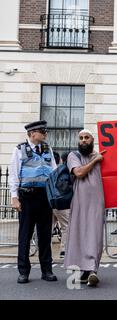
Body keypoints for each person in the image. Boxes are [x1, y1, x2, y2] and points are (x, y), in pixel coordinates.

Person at [8, 120, 58, 283]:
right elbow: (14, 174)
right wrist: (14, 198)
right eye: (42, 131)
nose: (45, 134)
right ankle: (23, 272)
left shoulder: (47, 149)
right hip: (27, 197)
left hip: (45, 197)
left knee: (45, 236)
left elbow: (55, 171)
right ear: (32, 133)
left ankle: (47, 270)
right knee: (25, 236)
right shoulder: (19, 149)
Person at [64, 129, 106, 287]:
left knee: (95, 236)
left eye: (86, 137)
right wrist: (95, 161)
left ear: (92, 140)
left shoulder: (100, 156)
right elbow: (80, 172)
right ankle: (83, 270)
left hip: (97, 203)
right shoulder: (73, 156)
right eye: (81, 138)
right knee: (79, 235)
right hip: (79, 202)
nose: (83, 140)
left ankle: (93, 270)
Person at [51, 151, 70, 258]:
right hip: (63, 204)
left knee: (48, 228)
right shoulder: (67, 171)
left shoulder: (53, 171)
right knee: (66, 227)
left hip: (51, 202)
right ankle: (64, 250)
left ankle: (46, 251)